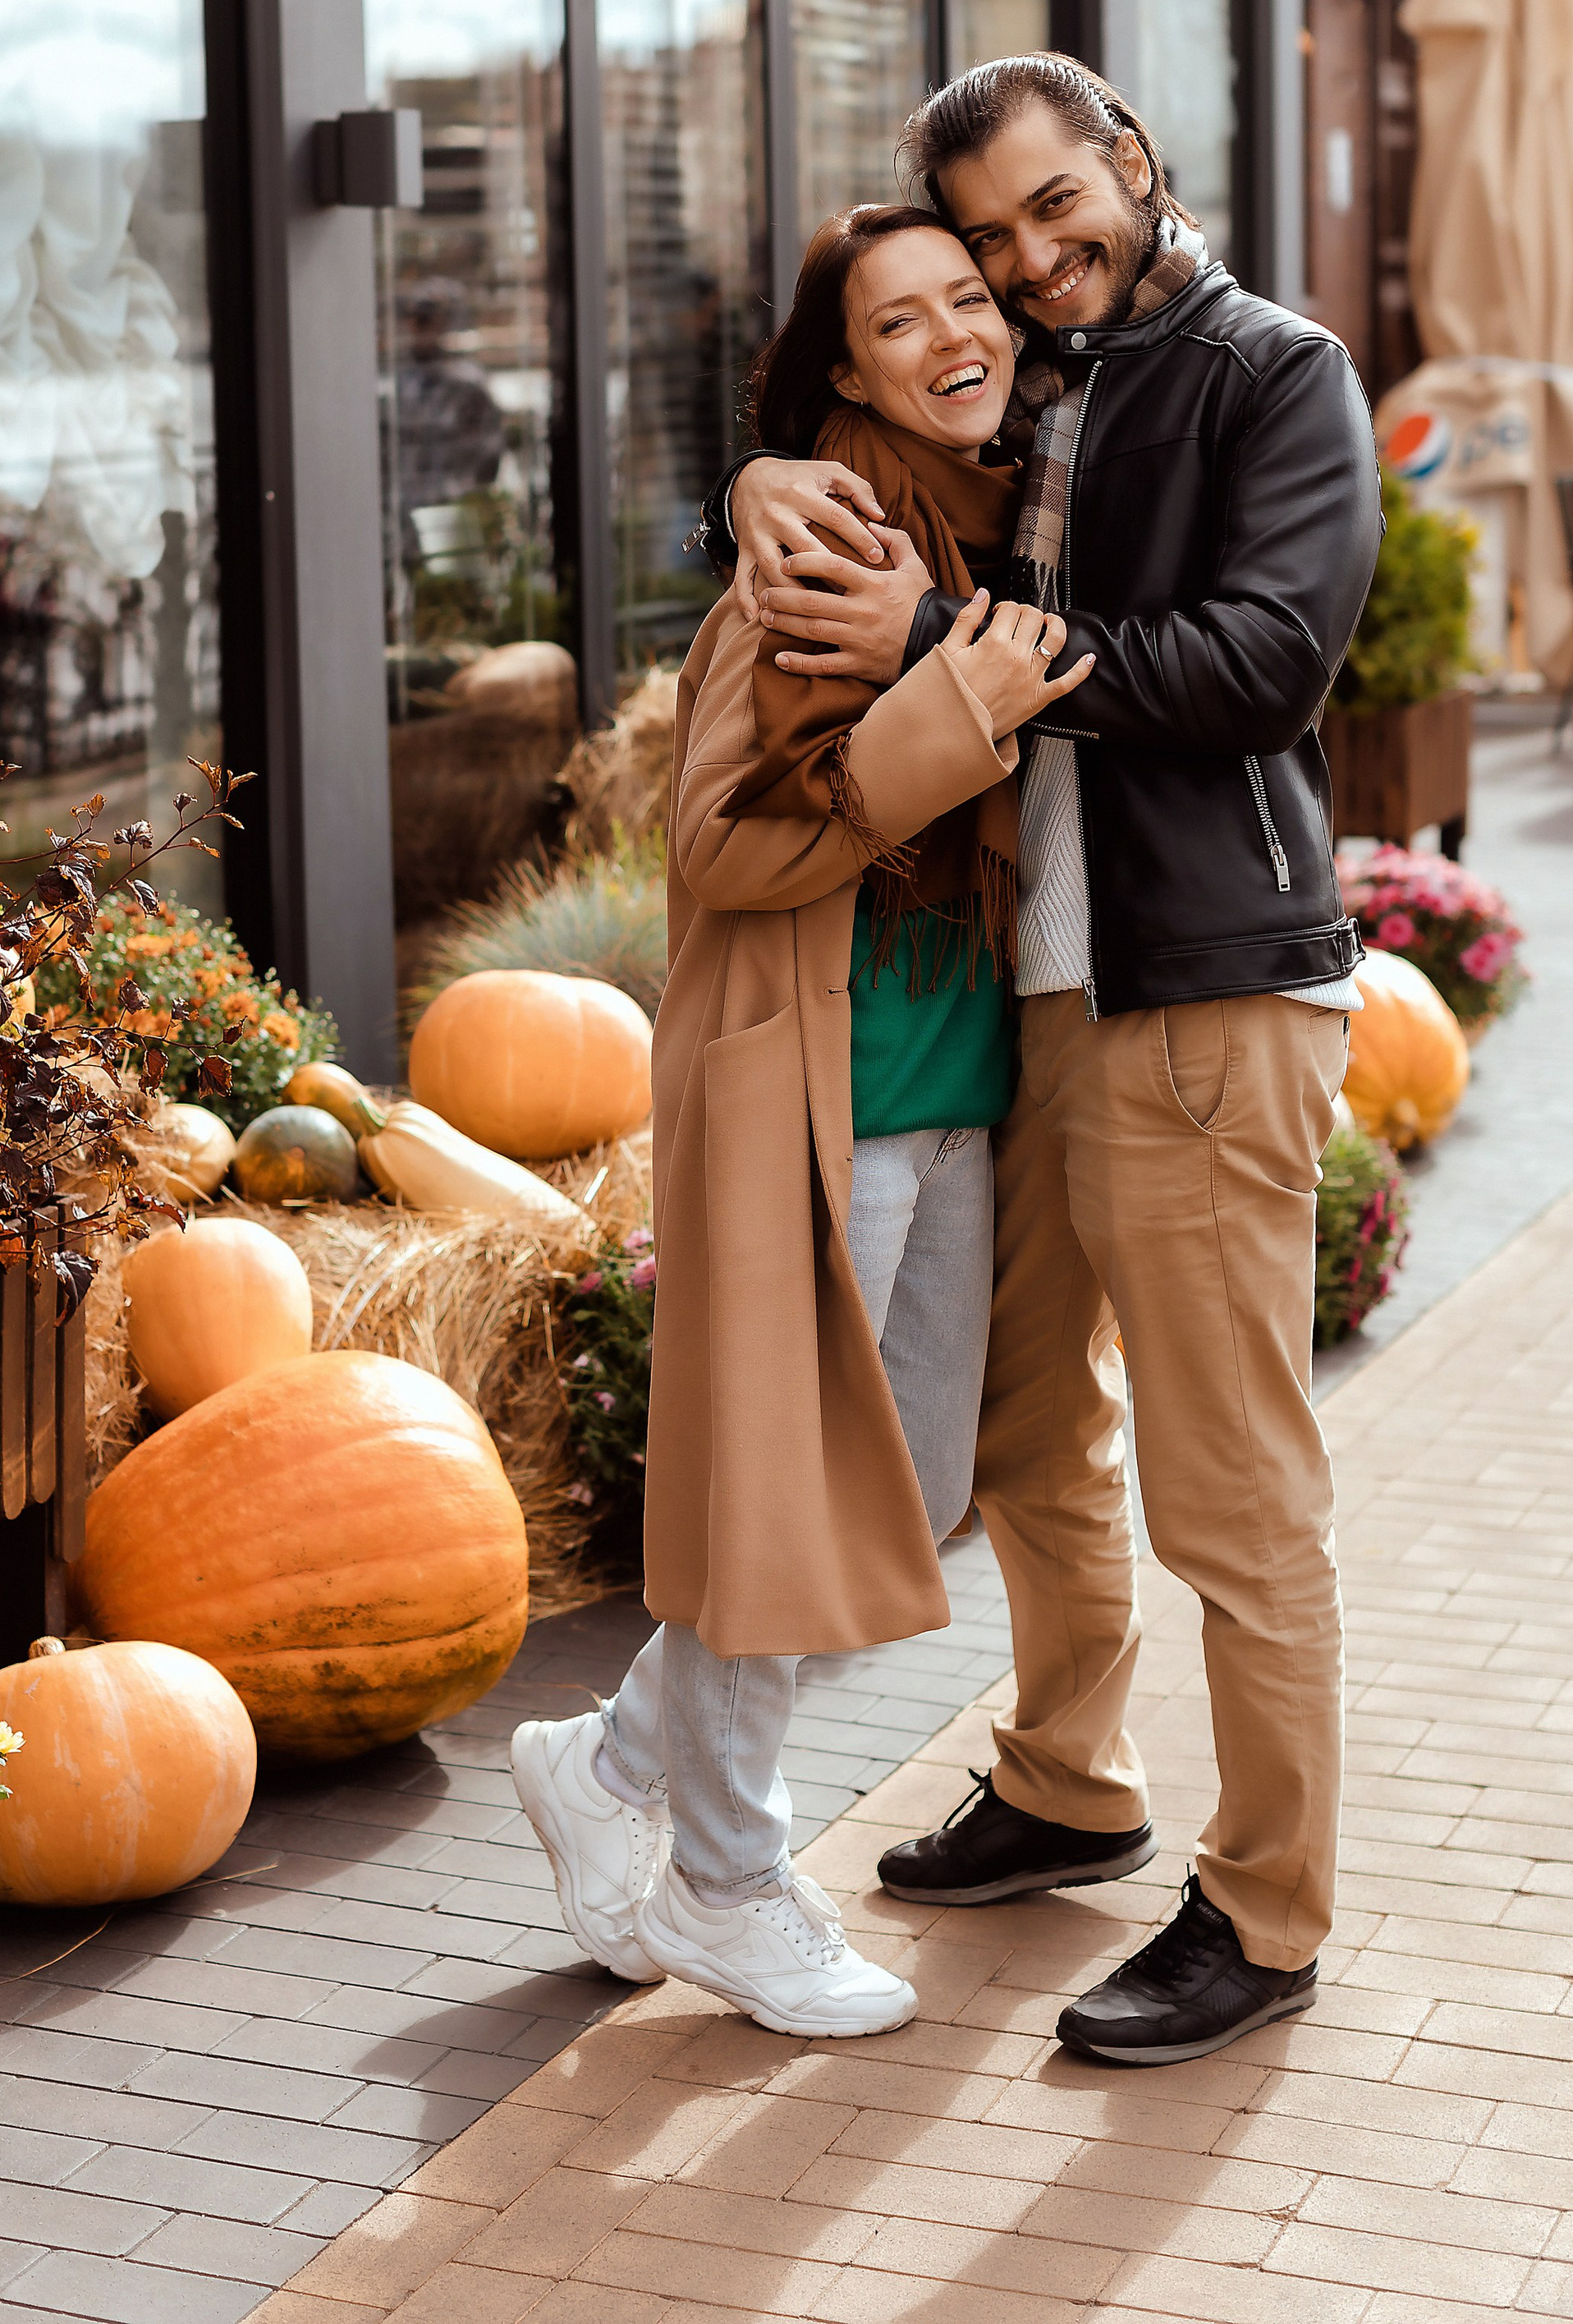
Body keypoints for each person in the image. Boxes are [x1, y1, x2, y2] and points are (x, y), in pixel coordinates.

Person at [713, 55, 1383, 2067]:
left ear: (1130, 165)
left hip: (1207, 987)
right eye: (987, 244)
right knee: (1024, 1435)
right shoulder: (1040, 381)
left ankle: (1265, 1909)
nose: (1018, 264)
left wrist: (958, 634)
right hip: (1050, 997)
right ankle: (1069, 1779)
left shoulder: (1275, 371)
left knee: (1227, 1487)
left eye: (1043, 213)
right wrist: (743, 474)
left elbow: (1268, 662)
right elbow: (847, 417)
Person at [511, 204, 1093, 2037]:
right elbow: (717, 842)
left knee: (903, 1495)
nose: (949, 334)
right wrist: (945, 721)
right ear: (844, 371)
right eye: (896, 317)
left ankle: (611, 1766)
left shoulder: (999, 521)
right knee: (779, 1509)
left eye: (967, 301)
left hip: (951, 1092)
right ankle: (728, 1880)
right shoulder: (821, 544)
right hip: (804, 1087)